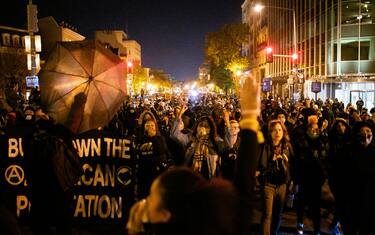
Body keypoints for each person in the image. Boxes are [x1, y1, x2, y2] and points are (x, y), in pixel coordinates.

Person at [126, 73, 261, 235]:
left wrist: (135, 229)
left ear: (165, 214)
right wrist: (251, 115)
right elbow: (243, 194)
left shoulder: (215, 143)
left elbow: (229, 152)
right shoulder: (190, 140)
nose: (145, 202)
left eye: (152, 198)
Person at [258, 119, 294, 235]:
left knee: (278, 214)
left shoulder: (287, 146)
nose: (277, 133)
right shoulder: (265, 146)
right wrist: (271, 161)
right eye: (274, 130)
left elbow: (293, 165)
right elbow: (260, 165)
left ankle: (274, 232)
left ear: (283, 132)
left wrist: (292, 181)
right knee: (267, 215)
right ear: (270, 132)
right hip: (268, 184)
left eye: (279, 130)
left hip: (282, 185)